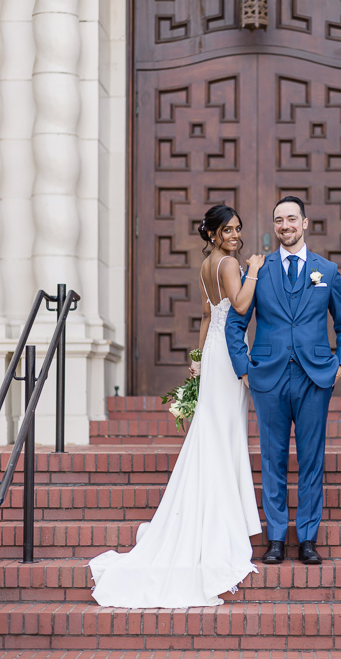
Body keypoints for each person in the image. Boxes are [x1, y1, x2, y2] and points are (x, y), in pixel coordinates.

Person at [89, 205, 265, 607]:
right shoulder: (230, 265)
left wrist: (198, 358)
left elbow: (206, 314)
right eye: (229, 230)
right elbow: (239, 306)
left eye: (239, 229)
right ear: (214, 233)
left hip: (215, 354)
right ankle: (223, 521)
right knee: (222, 433)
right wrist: (253, 268)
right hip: (230, 354)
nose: (236, 235)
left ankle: (218, 512)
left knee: (214, 432)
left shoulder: (207, 265)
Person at [225, 196, 341, 565]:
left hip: (316, 377)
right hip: (268, 376)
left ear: (305, 223)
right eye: (279, 220)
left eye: (292, 219)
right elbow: (236, 323)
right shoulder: (259, 270)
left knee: (312, 459)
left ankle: (308, 538)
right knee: (273, 459)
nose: (285, 225)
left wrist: (340, 366)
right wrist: (244, 368)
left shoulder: (326, 271)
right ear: (274, 226)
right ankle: (277, 538)